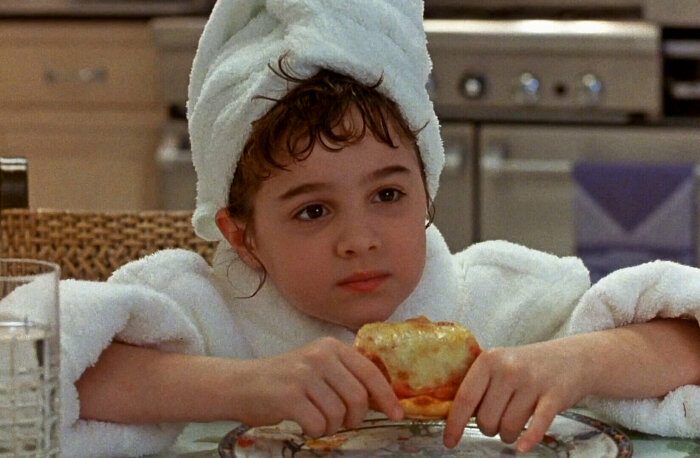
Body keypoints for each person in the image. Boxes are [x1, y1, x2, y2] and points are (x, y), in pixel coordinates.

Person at [36, 0, 700, 456]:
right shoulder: (202, 316)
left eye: (387, 194)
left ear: (426, 191)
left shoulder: (499, 305)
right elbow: (37, 371)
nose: (360, 238)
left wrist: (576, 363)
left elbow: (684, 343)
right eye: (312, 210)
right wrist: (243, 386)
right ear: (243, 237)